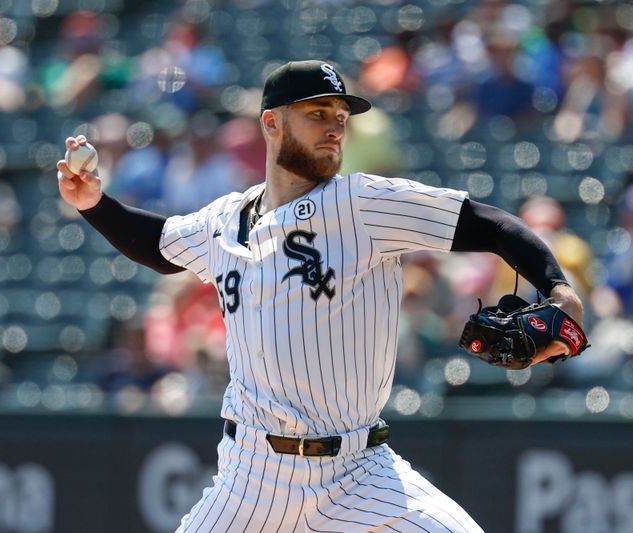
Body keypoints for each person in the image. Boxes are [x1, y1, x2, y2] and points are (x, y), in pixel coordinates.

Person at [57, 60, 584, 532]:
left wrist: (559, 290)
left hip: (358, 472)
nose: (335, 125)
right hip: (250, 479)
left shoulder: (363, 205)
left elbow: (491, 225)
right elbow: (157, 245)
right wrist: (94, 203)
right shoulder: (225, 221)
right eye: (318, 112)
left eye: (341, 115)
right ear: (272, 123)